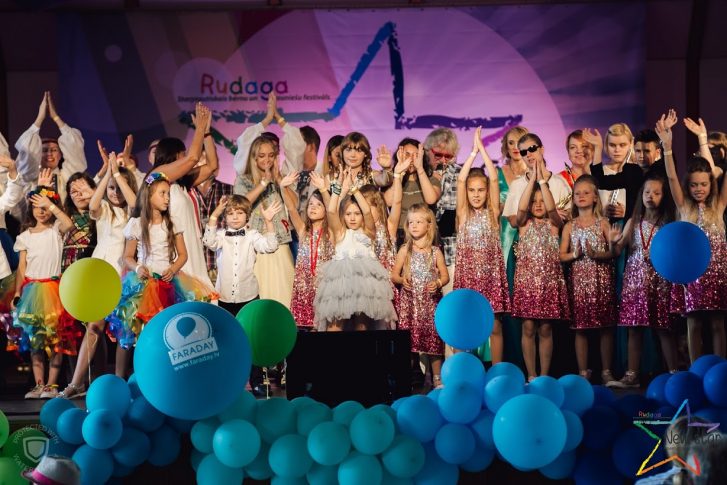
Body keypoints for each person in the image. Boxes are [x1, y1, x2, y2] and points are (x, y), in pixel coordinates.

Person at [107, 172, 217, 350]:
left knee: (168, 329)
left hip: (168, 283)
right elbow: (127, 256)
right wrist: (137, 268)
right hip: (144, 284)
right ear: (149, 195)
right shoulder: (136, 224)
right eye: (162, 193)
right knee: (142, 330)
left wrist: (173, 269)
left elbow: (183, 255)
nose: (167, 198)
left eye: (168, 194)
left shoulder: (173, 222)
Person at [59, 153, 137, 398]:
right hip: (100, 274)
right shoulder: (103, 209)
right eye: (111, 189)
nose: (115, 193)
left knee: (124, 332)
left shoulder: (133, 214)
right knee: (93, 327)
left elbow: (135, 204)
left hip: (123, 276)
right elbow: (93, 204)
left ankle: (119, 383)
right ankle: (76, 383)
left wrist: (118, 175)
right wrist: (108, 176)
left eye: (119, 188)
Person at [657, 113, 727, 361]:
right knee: (694, 322)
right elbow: (672, 177)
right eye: (694, 185)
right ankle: (696, 369)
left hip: (717, 272)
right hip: (693, 274)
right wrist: (667, 147)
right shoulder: (684, 207)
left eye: (704, 184)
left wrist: (703, 139)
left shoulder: (718, 205)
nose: (699, 189)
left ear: (711, 184)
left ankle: (720, 368)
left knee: (718, 323)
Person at [609, 174, 679, 388]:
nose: (650, 196)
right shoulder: (633, 221)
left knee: (663, 328)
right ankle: (632, 375)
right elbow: (617, 251)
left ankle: (674, 374)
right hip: (634, 281)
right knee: (634, 328)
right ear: (641, 195)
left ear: (664, 196)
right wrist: (613, 242)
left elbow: (674, 253)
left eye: (656, 193)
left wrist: (660, 255)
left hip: (659, 281)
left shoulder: (668, 223)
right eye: (647, 192)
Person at [12, 184, 75, 399]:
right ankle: (39, 384)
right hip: (32, 291)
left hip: (54, 290)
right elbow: (22, 268)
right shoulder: (25, 236)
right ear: (30, 209)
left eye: (45, 207)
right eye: (37, 206)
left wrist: (51, 205)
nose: (41, 211)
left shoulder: (56, 229)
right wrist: (17, 293)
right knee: (35, 341)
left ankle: (51, 385)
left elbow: (69, 223)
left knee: (56, 340)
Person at [314, 169, 397, 331]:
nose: (352, 218)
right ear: (343, 216)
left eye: (356, 214)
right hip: (340, 284)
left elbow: (367, 210)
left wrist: (354, 189)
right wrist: (338, 186)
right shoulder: (340, 233)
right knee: (334, 326)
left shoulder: (368, 231)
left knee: (362, 326)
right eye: (348, 214)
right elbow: (331, 211)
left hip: (363, 286)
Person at [453, 127, 509, 362]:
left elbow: (494, 178)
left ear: (487, 192)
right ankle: (462, 370)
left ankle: (497, 369)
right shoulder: (463, 214)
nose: (476, 194)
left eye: (481, 190)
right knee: (464, 325)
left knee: (494, 326)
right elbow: (460, 179)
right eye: (472, 190)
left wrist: (483, 150)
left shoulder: (492, 213)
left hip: (490, 277)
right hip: (468, 276)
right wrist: (472, 153)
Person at [512, 161, 569, 380]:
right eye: (533, 201)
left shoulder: (554, 224)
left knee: (545, 329)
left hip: (548, 283)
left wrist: (542, 180)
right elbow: (520, 209)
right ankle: (531, 375)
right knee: (528, 327)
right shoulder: (523, 224)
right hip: (527, 283)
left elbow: (552, 209)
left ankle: (544, 375)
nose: (537, 204)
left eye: (541, 200)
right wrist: (532, 181)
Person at [559, 175, 618, 384]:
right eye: (577, 193)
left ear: (595, 197)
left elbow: (614, 252)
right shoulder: (569, 226)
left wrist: (598, 254)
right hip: (578, 283)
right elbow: (561, 255)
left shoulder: (603, 223)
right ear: (573, 198)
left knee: (605, 328)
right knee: (580, 328)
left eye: (586, 192)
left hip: (601, 282)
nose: (581, 196)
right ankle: (583, 371)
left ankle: (606, 371)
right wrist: (574, 254)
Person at [150, 103, 216, 289]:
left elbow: (212, 166)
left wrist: (206, 133)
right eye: (183, 154)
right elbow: (193, 158)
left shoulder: (180, 183)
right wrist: (199, 128)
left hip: (191, 245)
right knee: (181, 293)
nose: (186, 157)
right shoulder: (157, 175)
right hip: (173, 248)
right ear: (173, 155)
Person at [234, 135, 298, 308]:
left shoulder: (280, 179)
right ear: (254, 158)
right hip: (257, 244)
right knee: (262, 296)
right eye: (262, 156)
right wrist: (264, 183)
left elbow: (294, 205)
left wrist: (279, 181)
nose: (267, 160)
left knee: (285, 295)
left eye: (271, 155)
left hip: (280, 242)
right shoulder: (244, 180)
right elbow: (241, 204)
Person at [391, 203, 448, 388]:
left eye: (418, 222)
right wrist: (402, 280)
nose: (414, 225)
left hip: (430, 305)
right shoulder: (404, 250)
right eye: (411, 222)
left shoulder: (435, 251)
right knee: (409, 342)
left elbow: (445, 276)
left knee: (433, 342)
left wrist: (437, 283)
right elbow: (394, 275)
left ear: (429, 225)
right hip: (411, 305)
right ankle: (408, 380)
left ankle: (437, 379)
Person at [203, 195, 281, 317]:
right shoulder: (221, 235)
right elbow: (209, 242)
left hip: (248, 295)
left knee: (249, 326)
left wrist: (268, 222)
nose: (235, 217)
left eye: (240, 213)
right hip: (225, 297)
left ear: (247, 215)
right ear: (225, 217)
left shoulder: (252, 235)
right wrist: (214, 215)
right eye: (230, 213)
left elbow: (271, 246)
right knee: (228, 327)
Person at [283, 173, 335, 330]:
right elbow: (291, 208)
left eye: (318, 205)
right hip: (303, 290)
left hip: (323, 289)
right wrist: (283, 187)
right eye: (311, 204)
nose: (313, 207)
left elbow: (332, 212)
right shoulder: (303, 231)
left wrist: (324, 190)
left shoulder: (331, 233)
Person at [16, 92, 88, 203]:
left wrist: (55, 117)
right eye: (44, 150)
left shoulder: (68, 176)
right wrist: (40, 118)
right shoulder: (30, 177)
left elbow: (74, 146)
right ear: (38, 154)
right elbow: (27, 150)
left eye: (54, 150)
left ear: (60, 155)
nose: (49, 153)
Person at [503, 133, 571, 229]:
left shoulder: (559, 182)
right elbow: (513, 222)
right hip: (527, 237)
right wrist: (544, 213)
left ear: (542, 149)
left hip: (555, 237)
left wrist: (557, 215)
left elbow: (570, 216)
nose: (528, 155)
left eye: (532, 149)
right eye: (523, 152)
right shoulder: (516, 185)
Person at [232, 93, 306, 178]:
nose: (267, 158)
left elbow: (297, 145)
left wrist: (278, 116)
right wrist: (268, 118)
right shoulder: (247, 175)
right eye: (262, 154)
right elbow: (245, 142)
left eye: (272, 153)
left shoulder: (286, 176)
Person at [383, 138, 441, 245]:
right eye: (407, 155)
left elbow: (431, 199)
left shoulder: (431, 179)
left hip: (427, 235)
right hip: (401, 234)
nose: (411, 159)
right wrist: (399, 173)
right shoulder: (392, 180)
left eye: (415, 155)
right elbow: (388, 202)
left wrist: (420, 169)